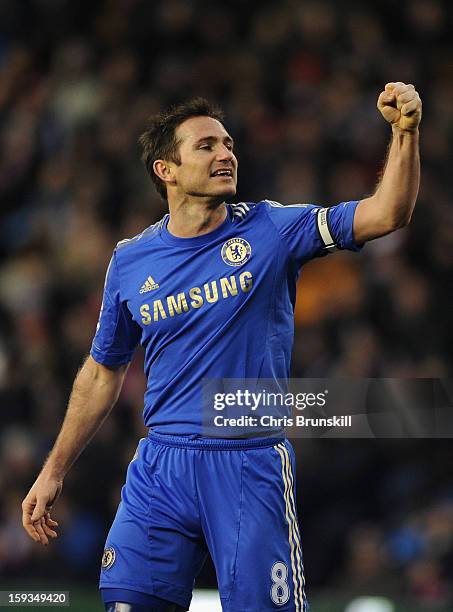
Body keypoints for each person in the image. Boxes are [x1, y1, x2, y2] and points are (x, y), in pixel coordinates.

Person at [22, 82, 421, 612]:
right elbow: (101, 372)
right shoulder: (131, 259)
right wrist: (53, 471)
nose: (226, 153)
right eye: (206, 145)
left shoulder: (273, 229)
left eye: (228, 143)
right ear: (166, 170)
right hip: (161, 465)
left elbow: (387, 214)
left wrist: (405, 133)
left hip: (248, 463)